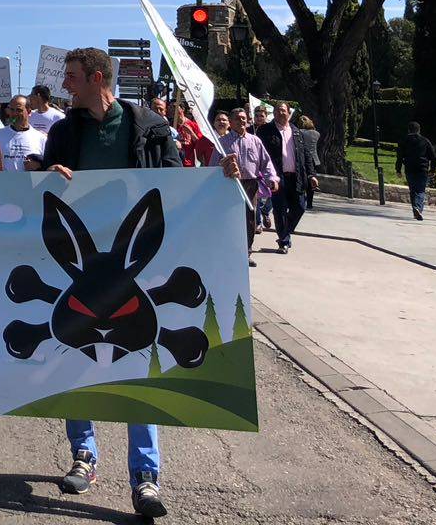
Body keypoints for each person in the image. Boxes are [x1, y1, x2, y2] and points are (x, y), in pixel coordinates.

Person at [44, 46, 239, 519]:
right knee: (77, 357)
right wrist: (46, 174)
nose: (64, 85)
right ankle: (84, 454)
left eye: (72, 77)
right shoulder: (64, 132)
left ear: (97, 78)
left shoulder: (150, 127)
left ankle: (145, 476)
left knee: (139, 361)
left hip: (136, 264)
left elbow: (177, 184)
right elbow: (42, 188)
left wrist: (218, 179)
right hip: (83, 266)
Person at [258, 102, 316, 254]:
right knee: (280, 209)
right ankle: (283, 241)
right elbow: (260, 154)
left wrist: (311, 175)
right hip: (277, 178)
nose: (280, 113)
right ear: (273, 113)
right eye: (277, 110)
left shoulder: (296, 131)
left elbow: (306, 155)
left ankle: (285, 232)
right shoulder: (265, 130)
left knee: (300, 207)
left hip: (296, 177)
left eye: (283, 110)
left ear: (289, 113)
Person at [228, 110, 278, 265]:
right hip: (229, 185)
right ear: (231, 121)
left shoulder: (255, 141)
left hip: (250, 185)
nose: (241, 121)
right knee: (230, 219)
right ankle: (228, 251)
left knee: (250, 219)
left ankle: (246, 252)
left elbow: (266, 162)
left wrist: (272, 178)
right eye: (237, 118)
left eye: (244, 118)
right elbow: (213, 165)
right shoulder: (222, 142)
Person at [0, 94, 47, 172]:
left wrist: (39, 166)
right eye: (12, 109)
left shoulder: (41, 138)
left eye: (19, 110)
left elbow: (49, 166)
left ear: (29, 112)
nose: (14, 113)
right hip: (3, 180)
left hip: (30, 180)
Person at [397, 120, 436, 220]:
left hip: (409, 169)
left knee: (413, 190)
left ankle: (415, 209)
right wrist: (433, 169)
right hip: (422, 169)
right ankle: (418, 208)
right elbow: (433, 156)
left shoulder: (404, 140)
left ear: (408, 130)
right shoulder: (425, 141)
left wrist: (398, 169)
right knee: (420, 190)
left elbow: (400, 156)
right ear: (419, 130)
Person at [298, 113, 323, 209]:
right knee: (311, 181)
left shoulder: (300, 132)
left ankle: (302, 199)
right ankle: (310, 203)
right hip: (314, 159)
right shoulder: (316, 134)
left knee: (302, 179)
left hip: (304, 158)